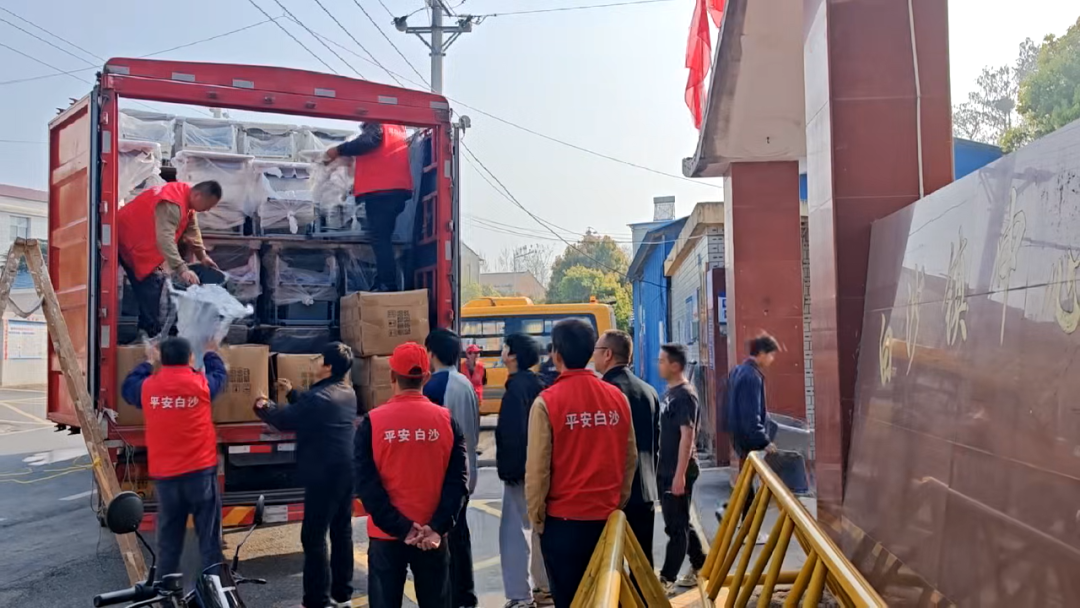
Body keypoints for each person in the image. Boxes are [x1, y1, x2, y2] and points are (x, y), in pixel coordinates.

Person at [526, 319, 638, 608]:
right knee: (607, 597)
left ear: (556, 354)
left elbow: (538, 471)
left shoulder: (546, 403)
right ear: (590, 352)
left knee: (571, 600)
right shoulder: (617, 398)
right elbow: (629, 458)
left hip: (563, 524)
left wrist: (538, 519)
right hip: (607, 520)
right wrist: (617, 503)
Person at [354, 342, 469, 608]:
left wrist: (402, 528)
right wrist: (437, 526)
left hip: (386, 536)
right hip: (432, 538)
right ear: (426, 378)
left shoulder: (373, 422)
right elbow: (458, 483)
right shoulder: (446, 421)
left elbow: (366, 486)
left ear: (391, 376)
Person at [253, 343, 358, 608]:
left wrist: (263, 405)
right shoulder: (347, 392)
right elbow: (312, 405)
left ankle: (316, 600)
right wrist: (292, 392)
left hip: (324, 475)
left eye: (318, 359)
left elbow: (284, 419)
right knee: (341, 530)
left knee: (313, 536)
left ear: (328, 367)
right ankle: (343, 594)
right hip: (346, 471)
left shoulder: (319, 398)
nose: (314, 363)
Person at [120, 336, 227, 578]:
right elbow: (220, 377)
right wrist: (211, 353)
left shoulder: (149, 388)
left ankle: (166, 588)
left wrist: (148, 362)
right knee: (209, 538)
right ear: (190, 358)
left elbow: (128, 388)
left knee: (169, 539)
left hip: (166, 476)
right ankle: (214, 587)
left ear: (162, 359)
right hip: (200, 473)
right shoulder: (200, 385)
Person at [116, 180, 223, 337]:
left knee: (155, 282)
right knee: (151, 283)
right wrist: (182, 269)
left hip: (143, 241)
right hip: (130, 240)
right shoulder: (172, 203)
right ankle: (148, 334)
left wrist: (202, 256)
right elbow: (165, 240)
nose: (208, 210)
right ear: (198, 195)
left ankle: (150, 330)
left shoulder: (186, 196)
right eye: (208, 205)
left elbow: (191, 228)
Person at [423, 329, 481, 608]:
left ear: (431, 353)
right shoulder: (464, 382)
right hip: (467, 471)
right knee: (460, 537)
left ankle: (455, 597)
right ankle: (465, 595)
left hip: (447, 475)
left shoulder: (434, 387)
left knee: (446, 540)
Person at [594, 330, 660, 566]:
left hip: (612, 493)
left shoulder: (602, 393)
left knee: (609, 566)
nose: (593, 356)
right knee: (642, 564)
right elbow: (655, 443)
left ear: (608, 354)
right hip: (645, 490)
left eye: (596, 350)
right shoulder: (649, 391)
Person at [326, 122, 413, 292]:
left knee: (380, 239)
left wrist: (339, 150)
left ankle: (387, 284)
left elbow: (368, 142)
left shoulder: (378, 121)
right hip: (396, 189)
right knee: (383, 238)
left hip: (381, 190)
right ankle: (383, 280)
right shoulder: (396, 128)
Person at [495, 333, 549, 608]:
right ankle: (544, 588)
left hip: (520, 474)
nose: (502, 351)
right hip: (541, 470)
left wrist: (510, 472)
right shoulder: (540, 384)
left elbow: (514, 436)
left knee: (514, 534)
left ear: (512, 355)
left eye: (505, 347)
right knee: (540, 530)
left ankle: (519, 595)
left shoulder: (515, 390)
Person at [656, 343, 706, 593]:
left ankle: (667, 577)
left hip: (680, 470)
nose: (658, 365)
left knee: (676, 527)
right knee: (679, 521)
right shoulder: (670, 393)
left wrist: (679, 476)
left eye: (662, 361)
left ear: (675, 366)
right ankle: (701, 563)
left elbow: (687, 436)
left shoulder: (685, 395)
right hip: (666, 467)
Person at [723, 335, 780, 521]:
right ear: (762, 353)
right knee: (749, 485)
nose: (772, 360)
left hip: (738, 435)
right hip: (748, 438)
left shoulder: (738, 371)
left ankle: (734, 517)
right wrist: (764, 441)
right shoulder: (752, 377)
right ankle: (738, 521)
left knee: (747, 484)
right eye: (771, 355)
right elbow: (751, 414)